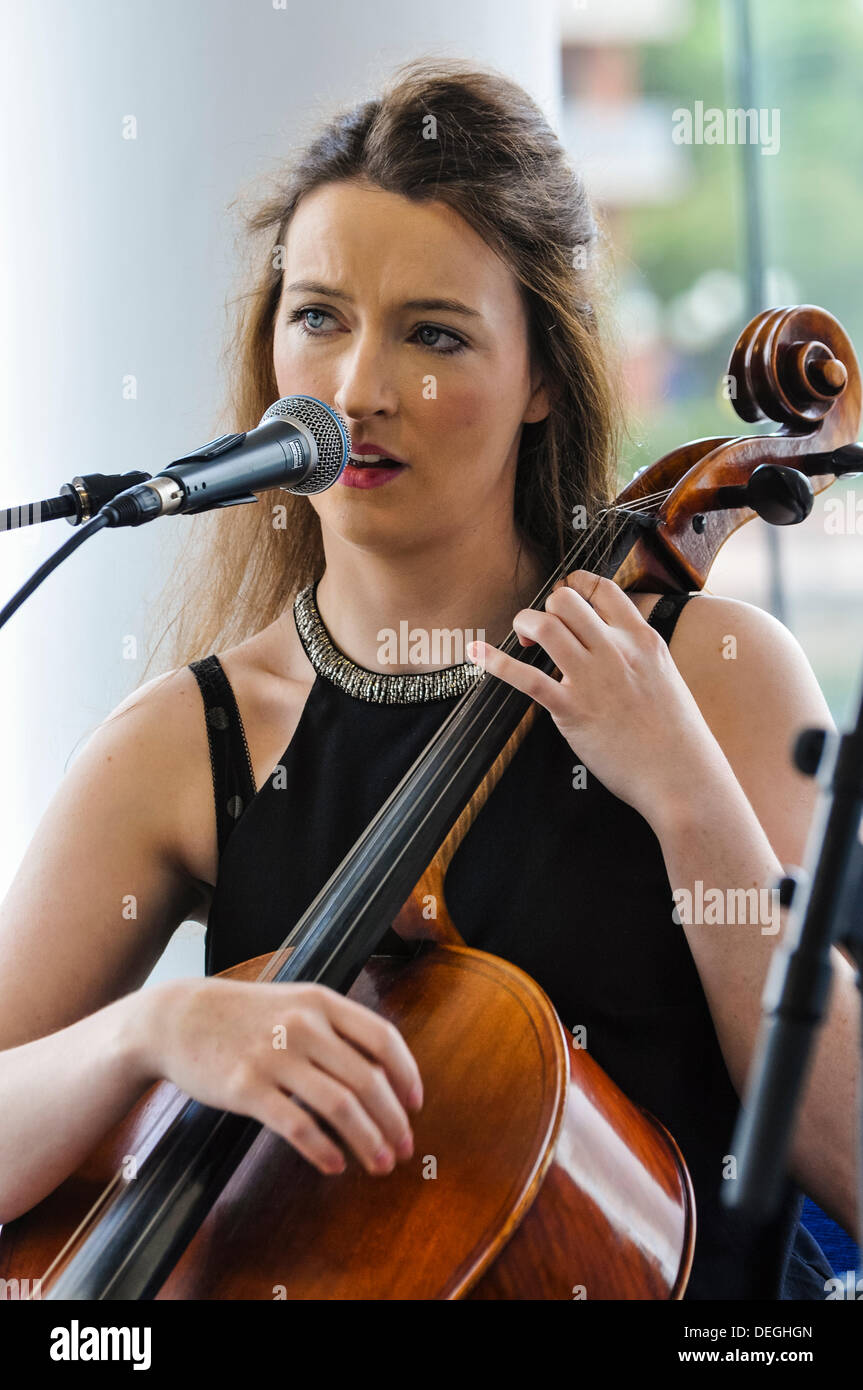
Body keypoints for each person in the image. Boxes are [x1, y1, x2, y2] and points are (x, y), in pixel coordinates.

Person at [0, 58, 857, 1300]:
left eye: (434, 334)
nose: (357, 391)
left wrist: (683, 793)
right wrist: (149, 1034)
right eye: (320, 316)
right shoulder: (193, 739)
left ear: (541, 379)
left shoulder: (713, 676)